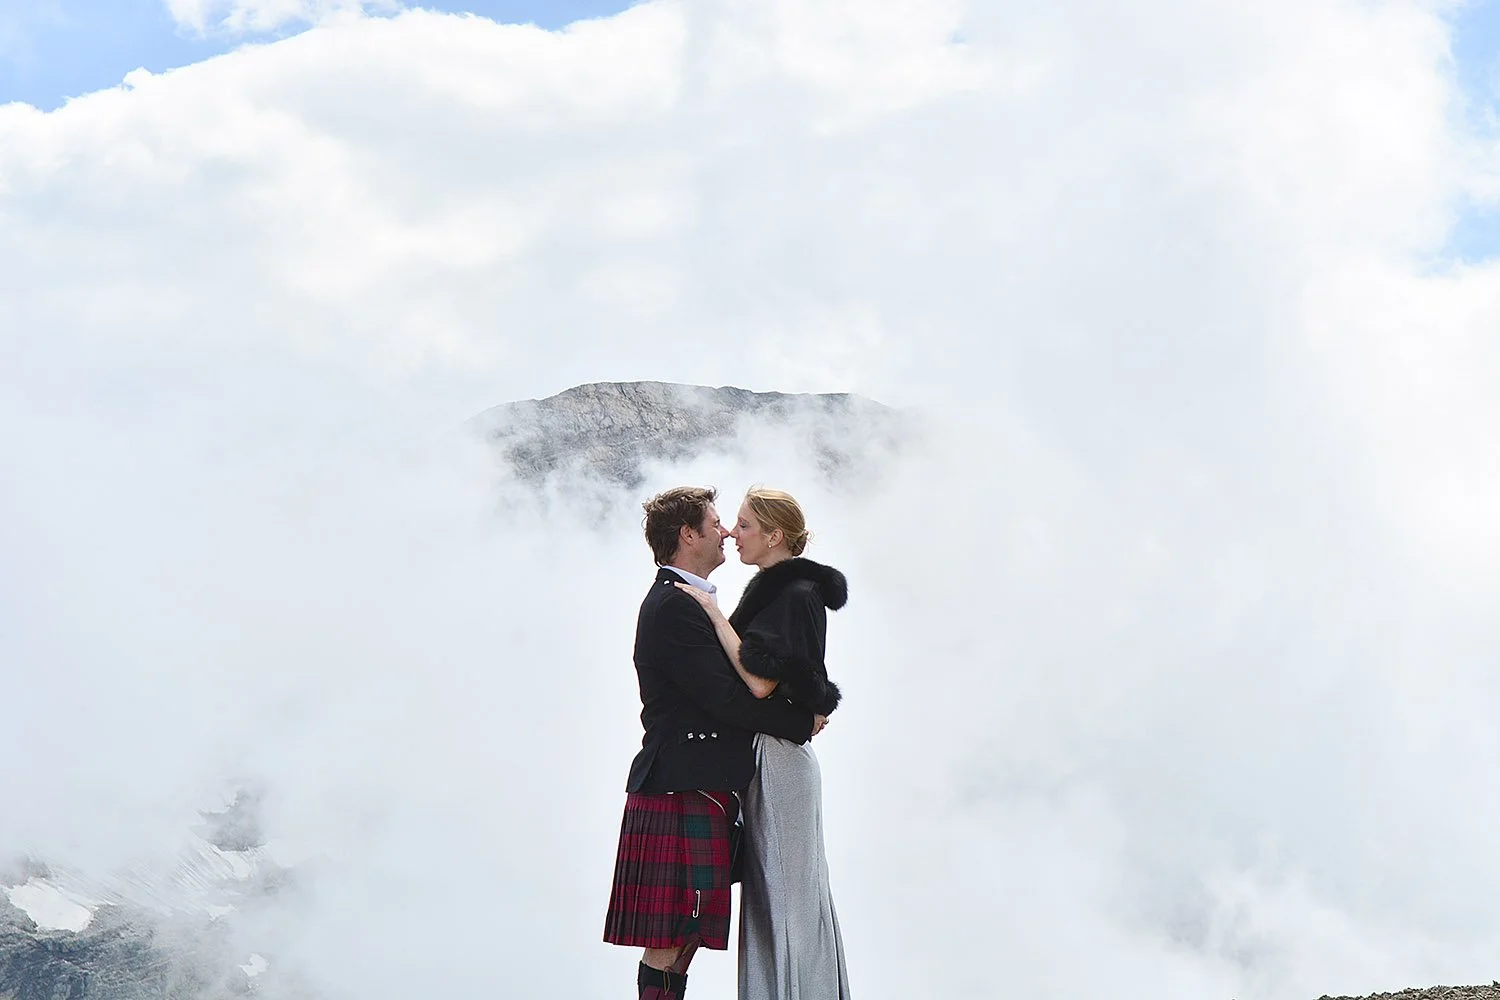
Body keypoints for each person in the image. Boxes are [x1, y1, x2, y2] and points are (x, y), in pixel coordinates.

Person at [605, 486, 828, 1000]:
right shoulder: (673, 606)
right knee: (670, 935)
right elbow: (728, 700)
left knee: (687, 935)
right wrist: (798, 723)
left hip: (700, 783)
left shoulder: (690, 600)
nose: (726, 531)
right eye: (715, 523)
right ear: (688, 535)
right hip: (681, 784)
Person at [673, 487, 852, 1000]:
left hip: (778, 759)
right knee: (782, 894)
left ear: (775, 535)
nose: (732, 532)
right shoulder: (789, 591)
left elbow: (759, 679)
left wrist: (712, 614)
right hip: (777, 754)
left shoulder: (790, 594)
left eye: (745, 524)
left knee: (788, 897)